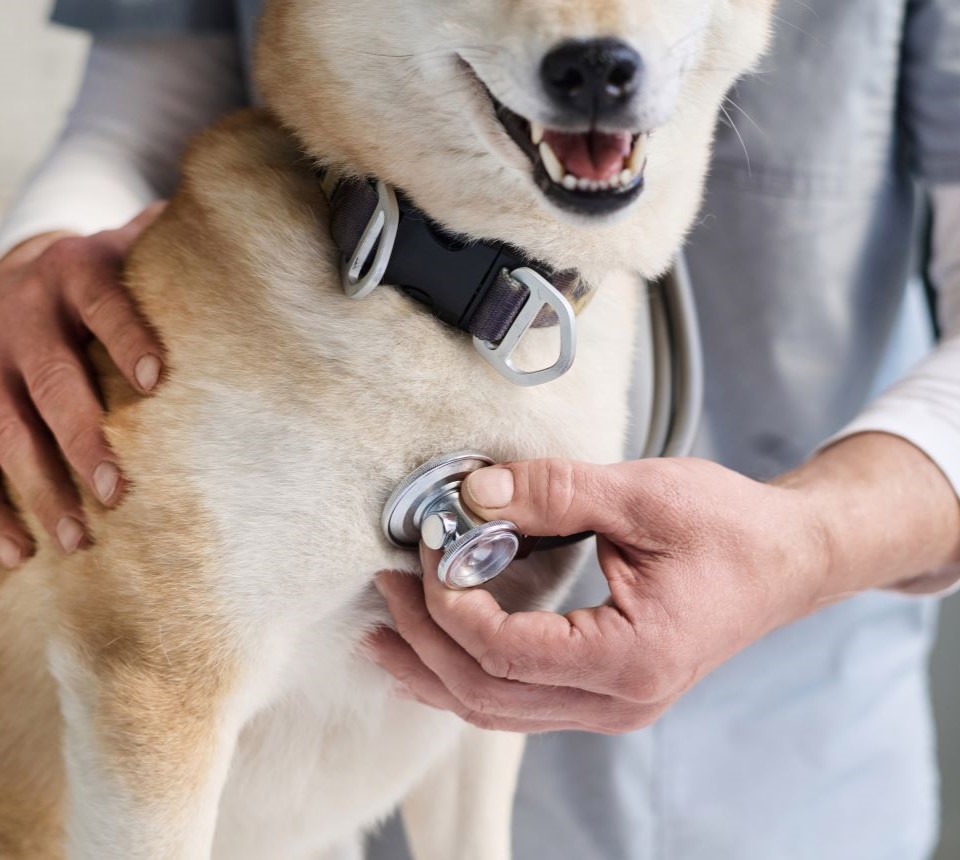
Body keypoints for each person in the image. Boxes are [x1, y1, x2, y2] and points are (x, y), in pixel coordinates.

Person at [1, 0, 959, 857]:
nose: (591, 38)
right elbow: (143, 102)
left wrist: (815, 543)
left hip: (799, 775)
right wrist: (39, 255)